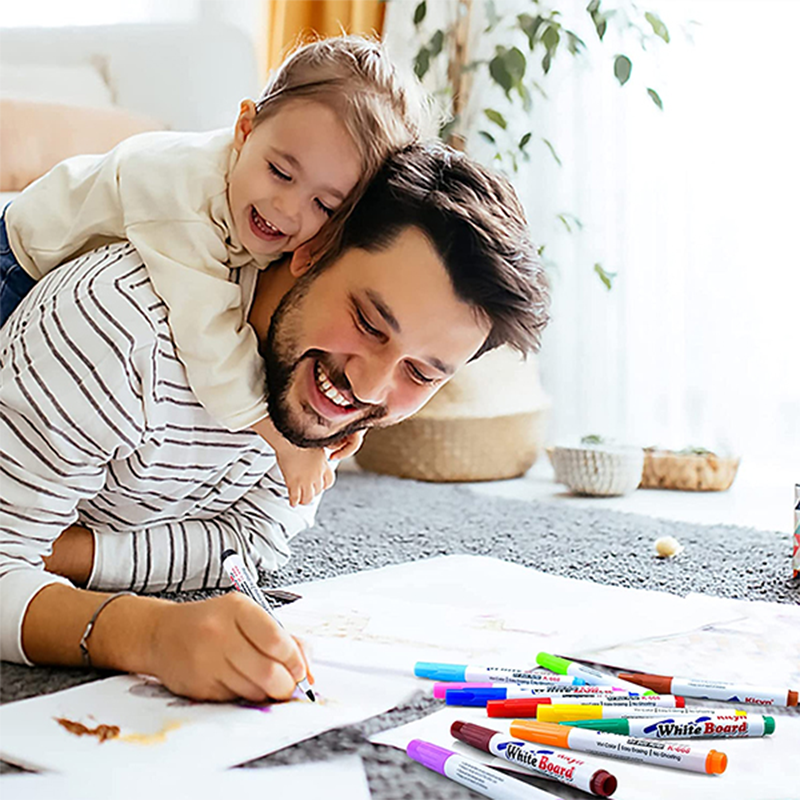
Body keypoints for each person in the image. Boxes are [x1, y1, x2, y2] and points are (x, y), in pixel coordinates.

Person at [0, 142, 550, 704]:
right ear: (311, 252)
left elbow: (252, 543)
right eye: (367, 322)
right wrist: (148, 633)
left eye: (420, 372)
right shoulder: (115, 331)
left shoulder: (311, 393)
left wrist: (66, 553)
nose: (368, 387)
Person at [0, 35, 427, 509]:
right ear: (245, 129)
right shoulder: (183, 199)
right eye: (280, 172)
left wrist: (339, 420)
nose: (285, 208)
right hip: (17, 263)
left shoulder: (271, 216)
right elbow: (210, 339)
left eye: (324, 204)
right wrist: (283, 442)